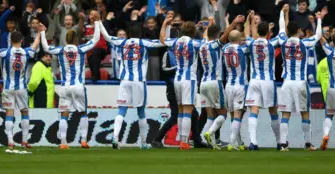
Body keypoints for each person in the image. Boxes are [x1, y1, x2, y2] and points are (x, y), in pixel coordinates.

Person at [97, 19, 165, 149]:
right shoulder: (144, 42)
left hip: (125, 81)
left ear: (128, 33)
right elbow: (162, 43)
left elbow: (106, 36)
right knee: (141, 112)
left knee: (121, 110)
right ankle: (144, 143)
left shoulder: (122, 42)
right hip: (138, 82)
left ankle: (115, 137)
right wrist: (165, 24)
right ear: (140, 33)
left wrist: (99, 22)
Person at [40, 12, 101, 149]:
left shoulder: (61, 50)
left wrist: (42, 32)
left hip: (65, 87)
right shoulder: (81, 49)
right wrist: (96, 22)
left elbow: (45, 47)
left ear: (66, 40)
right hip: (79, 86)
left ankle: (63, 143)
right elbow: (96, 39)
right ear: (76, 40)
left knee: (64, 114)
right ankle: (84, 140)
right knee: (83, 113)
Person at [278, 6, 325, 151]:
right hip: (300, 83)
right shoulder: (305, 43)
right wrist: (319, 19)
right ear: (298, 31)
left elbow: (280, 28)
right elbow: (318, 35)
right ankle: (307, 143)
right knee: (305, 112)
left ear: (287, 31)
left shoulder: (283, 41)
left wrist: (281, 12)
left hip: (286, 83)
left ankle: (283, 143)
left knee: (285, 113)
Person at [0, 30, 41, 153]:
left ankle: (10, 142)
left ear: (10, 40)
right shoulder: (26, 52)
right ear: (22, 40)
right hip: (21, 88)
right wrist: (40, 33)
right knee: (25, 112)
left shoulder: (6, 52)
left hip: (8, 88)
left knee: (9, 112)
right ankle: (24, 141)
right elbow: (35, 45)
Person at [159, 15, 200, 150]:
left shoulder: (175, 42)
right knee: (188, 110)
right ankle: (184, 141)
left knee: (181, 110)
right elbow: (208, 43)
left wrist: (165, 24)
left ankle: (183, 141)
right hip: (189, 79)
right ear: (193, 32)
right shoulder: (194, 43)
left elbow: (162, 39)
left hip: (177, 79)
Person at [244, 14, 284, 151]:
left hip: (254, 80)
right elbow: (282, 33)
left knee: (254, 111)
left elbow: (246, 34)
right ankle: (279, 142)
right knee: (273, 111)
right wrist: (283, 15)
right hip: (268, 81)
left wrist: (249, 21)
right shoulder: (272, 43)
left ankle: (253, 142)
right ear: (268, 32)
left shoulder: (251, 42)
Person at [199, 18, 240, 150]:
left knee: (211, 115)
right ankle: (209, 133)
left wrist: (210, 25)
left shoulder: (202, 44)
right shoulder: (214, 45)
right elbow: (224, 36)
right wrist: (234, 23)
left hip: (203, 83)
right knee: (223, 113)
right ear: (217, 35)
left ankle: (202, 138)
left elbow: (207, 35)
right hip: (214, 82)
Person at [222, 28, 249, 151]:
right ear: (239, 40)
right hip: (240, 85)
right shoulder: (243, 49)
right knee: (238, 114)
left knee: (233, 115)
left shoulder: (224, 49)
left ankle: (238, 142)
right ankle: (232, 142)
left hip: (228, 85)